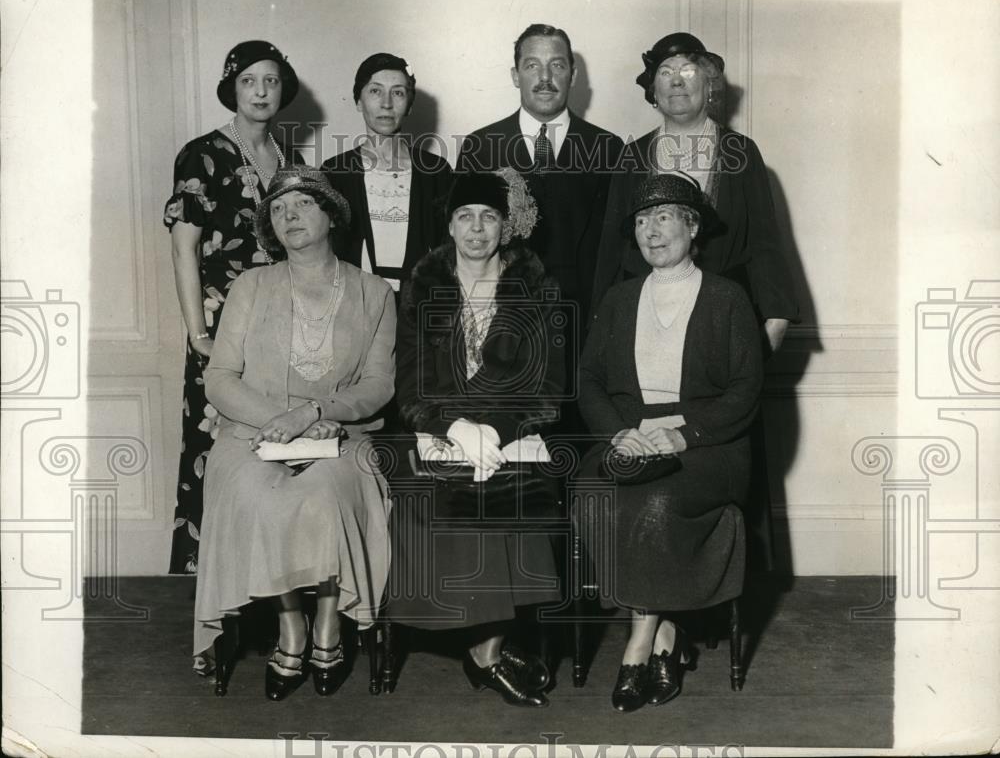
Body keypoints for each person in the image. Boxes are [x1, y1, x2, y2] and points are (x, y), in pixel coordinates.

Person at [590, 31, 799, 568]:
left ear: (710, 86)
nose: (677, 82)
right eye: (665, 73)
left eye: (689, 71)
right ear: (651, 90)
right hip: (648, 320)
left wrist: (771, 322)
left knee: (710, 456)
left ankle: (708, 588)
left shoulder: (739, 153)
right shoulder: (633, 154)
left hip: (721, 328)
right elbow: (613, 253)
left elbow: (767, 243)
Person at [193, 167, 396, 701]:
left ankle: (329, 619)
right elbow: (219, 377)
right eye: (279, 211)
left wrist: (313, 413)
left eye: (303, 205)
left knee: (329, 494)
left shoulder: (374, 292)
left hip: (339, 432)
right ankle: (292, 626)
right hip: (251, 432)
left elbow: (379, 384)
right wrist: (274, 421)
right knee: (255, 493)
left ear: (331, 215)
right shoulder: (251, 286)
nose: (290, 217)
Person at [578, 173, 763, 712]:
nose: (650, 232)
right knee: (595, 489)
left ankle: (639, 641)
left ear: (692, 226)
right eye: (641, 220)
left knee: (655, 500)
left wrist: (682, 436)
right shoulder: (618, 298)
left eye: (663, 218)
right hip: (629, 436)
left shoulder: (728, 297)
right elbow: (589, 380)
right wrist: (620, 434)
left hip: (709, 445)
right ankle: (666, 636)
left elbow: (745, 391)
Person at [391, 170, 565, 708]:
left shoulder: (538, 284)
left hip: (510, 433)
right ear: (448, 224)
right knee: (448, 499)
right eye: (465, 216)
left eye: (489, 216)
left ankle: (487, 650)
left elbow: (551, 385)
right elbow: (409, 382)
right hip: (441, 431)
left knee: (513, 496)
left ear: (507, 225)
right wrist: (452, 427)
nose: (477, 228)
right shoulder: (424, 283)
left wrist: (497, 429)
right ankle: (486, 648)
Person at [163, 40, 304, 585]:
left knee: (272, 451)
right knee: (214, 449)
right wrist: (197, 330)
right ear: (233, 88)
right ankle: (205, 598)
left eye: (271, 81)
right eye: (250, 81)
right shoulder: (201, 154)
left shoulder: (289, 162)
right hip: (221, 328)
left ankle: (268, 589)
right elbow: (183, 249)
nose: (262, 91)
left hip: (281, 328)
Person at [457, 23, 623, 330]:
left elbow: (616, 248)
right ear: (514, 75)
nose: (545, 78)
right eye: (532, 65)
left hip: (584, 321)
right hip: (499, 322)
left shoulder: (609, 148)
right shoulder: (479, 146)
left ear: (572, 76)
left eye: (556, 65)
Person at [322, 52, 453, 295]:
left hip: (420, 309)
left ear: (410, 105)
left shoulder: (437, 171)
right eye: (375, 91)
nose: (386, 103)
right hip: (352, 307)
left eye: (398, 92)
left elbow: (449, 251)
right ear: (358, 101)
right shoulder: (334, 172)